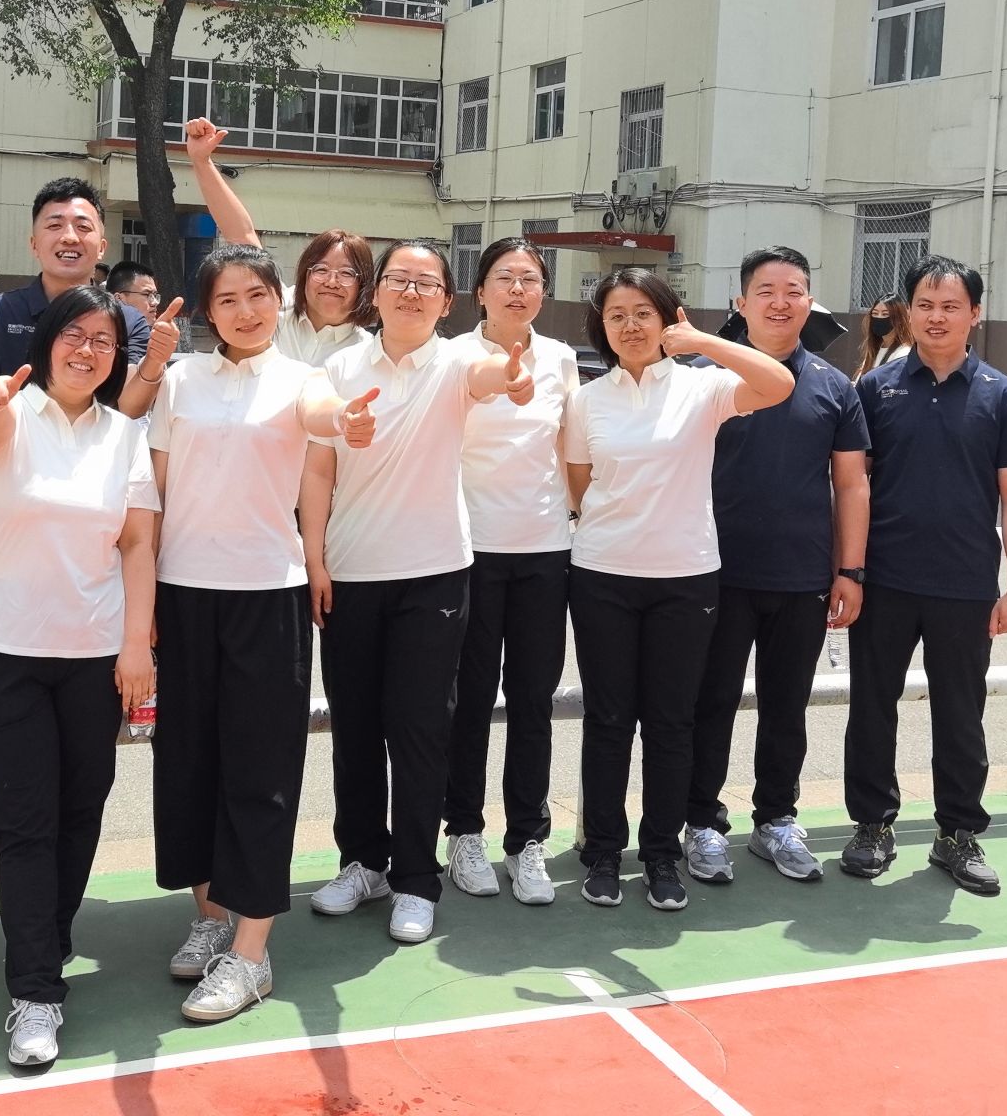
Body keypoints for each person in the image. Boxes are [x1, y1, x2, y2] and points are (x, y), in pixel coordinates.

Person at [148, 246, 371, 1022]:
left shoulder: (305, 381)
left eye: (257, 295)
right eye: (227, 300)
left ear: (280, 300)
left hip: (267, 597)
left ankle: (251, 953)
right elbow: (155, 489)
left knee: (260, 771)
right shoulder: (180, 381)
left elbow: (322, 422)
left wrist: (345, 421)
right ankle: (210, 916)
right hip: (182, 593)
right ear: (208, 312)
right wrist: (142, 599)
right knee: (188, 763)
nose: (245, 311)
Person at [300, 239, 531, 945]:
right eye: (398, 279)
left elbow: (494, 377)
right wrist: (315, 561)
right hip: (351, 572)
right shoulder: (339, 367)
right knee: (355, 729)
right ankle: (362, 862)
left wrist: (512, 374)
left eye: (426, 283)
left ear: (445, 300)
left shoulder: (458, 362)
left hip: (434, 574)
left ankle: (415, 879)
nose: (410, 292)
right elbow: (317, 471)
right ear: (376, 294)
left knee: (421, 729)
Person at [0, 286, 160, 1067]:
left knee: (80, 813)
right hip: (10, 654)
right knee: (24, 825)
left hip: (95, 657)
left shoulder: (125, 436)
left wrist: (136, 646)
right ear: (44, 342)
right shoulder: (10, 413)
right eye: (73, 334)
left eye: (103, 340)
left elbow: (136, 545)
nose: (87, 350)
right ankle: (36, 992)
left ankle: (45, 936)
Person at [564, 267, 794, 911]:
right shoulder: (587, 399)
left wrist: (703, 342)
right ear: (601, 327)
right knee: (608, 721)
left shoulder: (703, 387)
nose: (630, 326)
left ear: (669, 318)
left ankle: (662, 854)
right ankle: (603, 852)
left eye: (644, 313)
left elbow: (778, 383)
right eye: (616, 315)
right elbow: (580, 482)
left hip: (685, 578)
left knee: (671, 723)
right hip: (602, 575)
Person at [842, 256, 1007, 897]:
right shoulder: (875, 389)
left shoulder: (1004, 396)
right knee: (871, 707)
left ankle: (957, 833)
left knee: (961, 714)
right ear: (908, 312)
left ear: (974, 314)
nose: (937, 317)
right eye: (925, 306)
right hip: (884, 580)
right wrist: (848, 572)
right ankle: (872, 824)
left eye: (951, 306)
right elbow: (852, 487)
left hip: (965, 584)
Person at [0, 177, 180, 710]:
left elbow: (125, 409)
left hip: (97, 475)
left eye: (83, 226)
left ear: (102, 245)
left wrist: (152, 363)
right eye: (54, 225)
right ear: (34, 242)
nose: (69, 236)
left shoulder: (129, 322)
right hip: (9, 482)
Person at [686, 247, 868, 887]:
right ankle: (701, 821)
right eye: (766, 291)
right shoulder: (703, 375)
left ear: (810, 303)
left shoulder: (834, 386)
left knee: (787, 707)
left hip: (802, 575)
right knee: (710, 702)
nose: (780, 302)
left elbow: (851, 485)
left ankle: (775, 819)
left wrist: (850, 571)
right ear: (740, 304)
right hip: (714, 571)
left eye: (794, 291)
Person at [439, 237, 579, 909]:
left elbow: (569, 448)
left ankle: (527, 840)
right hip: (469, 551)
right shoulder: (453, 358)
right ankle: (463, 832)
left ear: (543, 293)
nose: (518, 290)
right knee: (468, 701)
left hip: (545, 551)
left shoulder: (561, 358)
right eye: (505, 278)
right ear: (481, 291)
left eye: (530, 280)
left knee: (532, 703)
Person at [183, 118, 376, 367]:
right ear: (305, 273)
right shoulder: (274, 309)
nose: (331, 282)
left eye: (347, 273)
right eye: (321, 269)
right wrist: (202, 161)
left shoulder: (368, 352)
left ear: (365, 284)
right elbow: (241, 234)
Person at [854, 294, 910, 378]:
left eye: (885, 314)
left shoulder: (903, 353)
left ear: (898, 319)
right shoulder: (874, 350)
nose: (879, 317)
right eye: (875, 313)